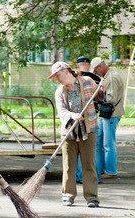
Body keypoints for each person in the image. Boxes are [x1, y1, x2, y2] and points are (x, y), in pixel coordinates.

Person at [48, 61, 100, 208]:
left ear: (66, 71)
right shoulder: (60, 91)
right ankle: (68, 196)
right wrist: (71, 115)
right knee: (69, 166)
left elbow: (100, 97)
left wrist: (102, 88)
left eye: (57, 76)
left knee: (89, 164)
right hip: (69, 132)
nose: (56, 80)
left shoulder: (88, 82)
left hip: (89, 129)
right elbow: (61, 111)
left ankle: (92, 198)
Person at [90, 57, 125, 179]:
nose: (95, 74)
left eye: (95, 71)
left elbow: (110, 99)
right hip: (107, 115)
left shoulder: (111, 77)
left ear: (100, 66)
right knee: (100, 143)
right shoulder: (109, 76)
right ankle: (100, 170)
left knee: (108, 144)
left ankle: (111, 171)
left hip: (111, 114)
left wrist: (102, 89)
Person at [74, 56, 103, 184]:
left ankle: (80, 176)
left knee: (80, 146)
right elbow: (101, 98)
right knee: (93, 147)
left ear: (77, 65)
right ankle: (96, 176)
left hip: (78, 115)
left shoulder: (75, 78)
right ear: (89, 64)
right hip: (93, 115)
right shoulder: (96, 79)